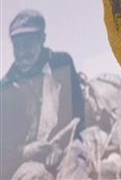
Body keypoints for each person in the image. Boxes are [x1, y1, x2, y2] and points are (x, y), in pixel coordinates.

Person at [1, 10, 88, 179]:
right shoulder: (6, 87)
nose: (22, 53)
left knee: (75, 160)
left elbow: (77, 112)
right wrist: (25, 151)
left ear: (42, 39)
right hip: (25, 160)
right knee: (34, 175)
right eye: (17, 46)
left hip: (65, 145)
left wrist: (60, 145)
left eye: (28, 44)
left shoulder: (62, 63)